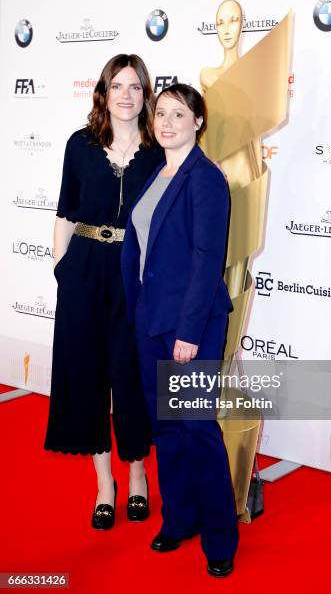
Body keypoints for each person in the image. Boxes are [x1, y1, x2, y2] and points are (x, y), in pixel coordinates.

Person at [121, 83, 239, 577]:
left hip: (191, 325)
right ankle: (180, 519)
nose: (166, 122)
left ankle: (219, 538)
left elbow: (207, 259)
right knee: (166, 429)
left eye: (178, 114)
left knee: (196, 429)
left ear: (198, 123)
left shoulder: (204, 178)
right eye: (161, 113)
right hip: (151, 319)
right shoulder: (156, 173)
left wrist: (188, 331)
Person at [44, 54, 165, 529]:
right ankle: (103, 484)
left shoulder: (159, 152)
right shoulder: (80, 145)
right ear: (103, 92)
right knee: (88, 376)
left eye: (135, 87)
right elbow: (64, 213)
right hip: (84, 271)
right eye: (118, 85)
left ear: (145, 94)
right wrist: (63, 272)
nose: (126, 95)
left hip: (133, 276)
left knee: (131, 376)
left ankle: (137, 475)